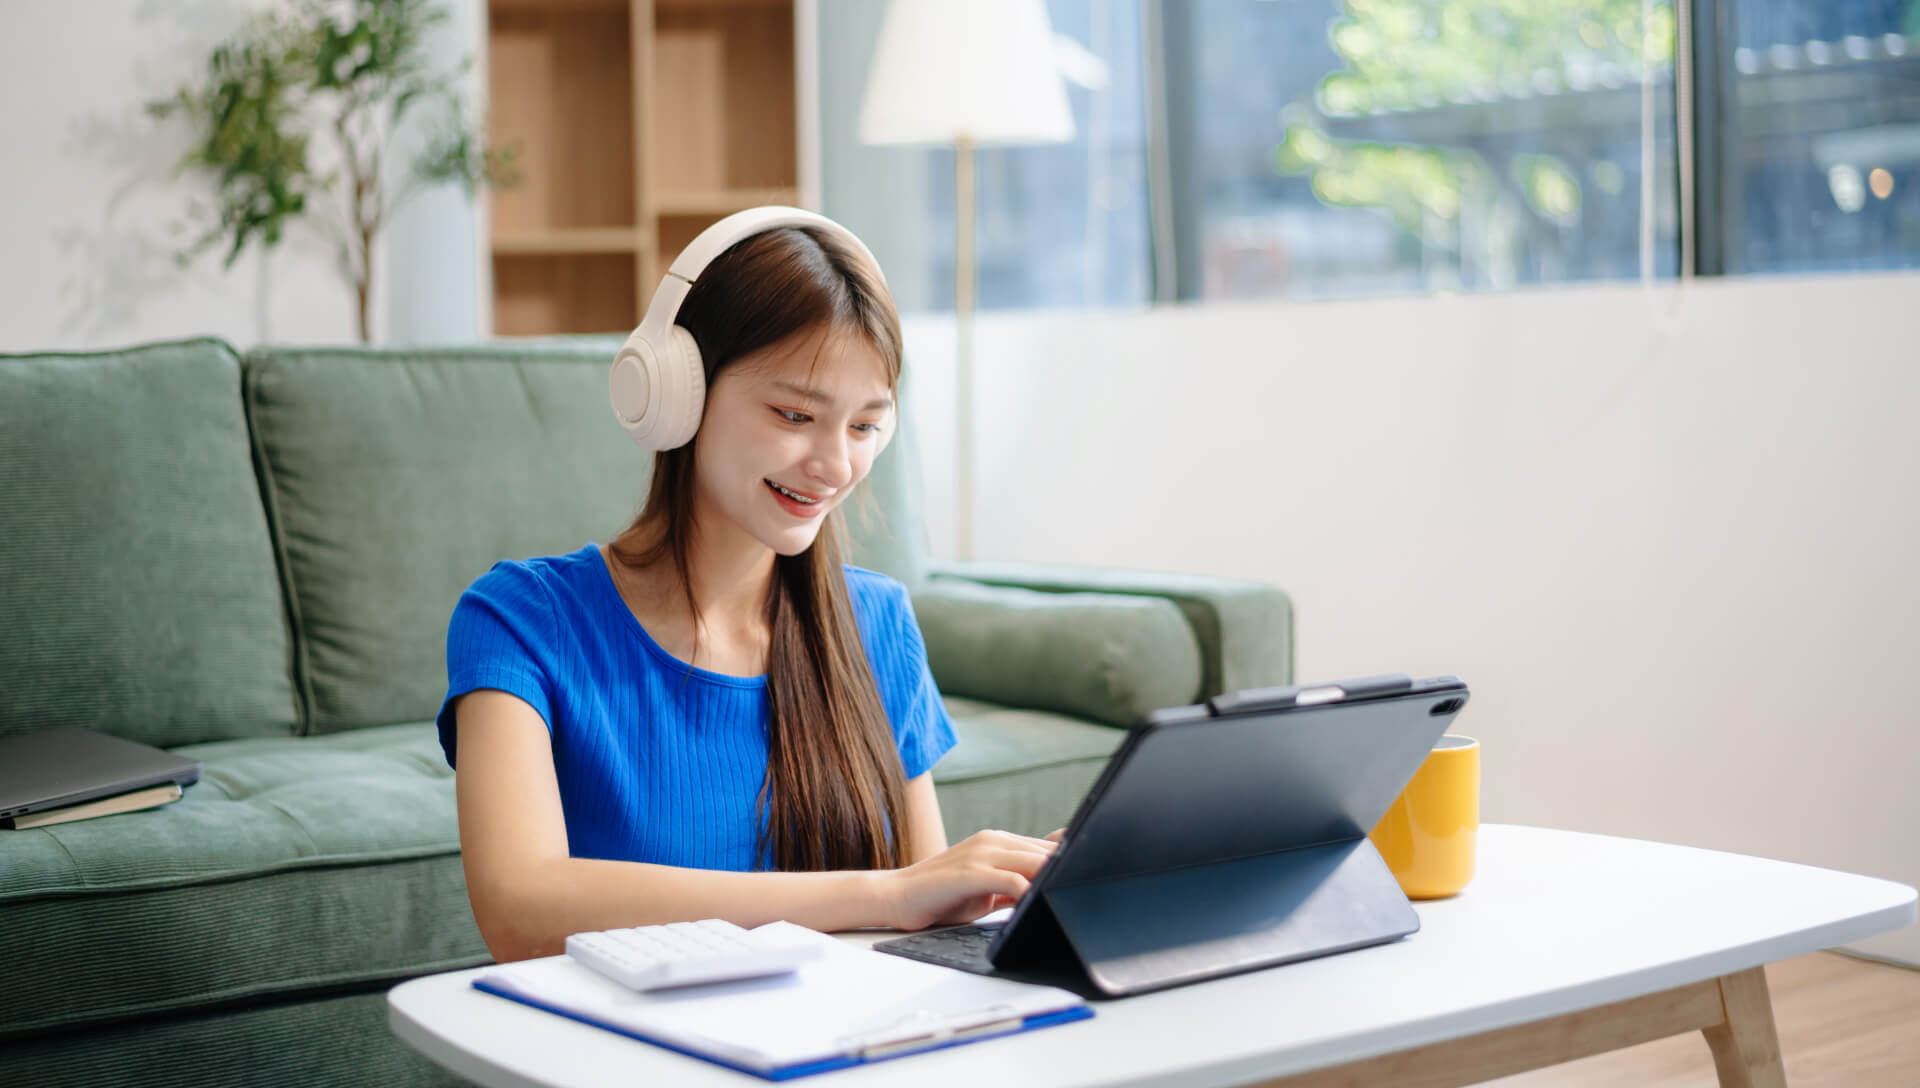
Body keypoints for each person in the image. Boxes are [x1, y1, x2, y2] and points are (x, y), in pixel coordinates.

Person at [439, 209, 1057, 963]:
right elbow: (519, 909)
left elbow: (922, 933)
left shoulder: (876, 622)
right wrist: (883, 892)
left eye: (865, 426)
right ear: (679, 392)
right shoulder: (521, 621)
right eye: (795, 413)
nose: (834, 465)